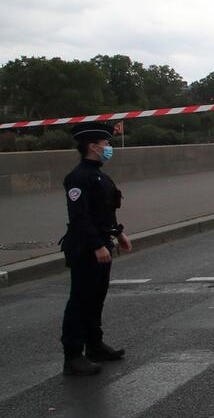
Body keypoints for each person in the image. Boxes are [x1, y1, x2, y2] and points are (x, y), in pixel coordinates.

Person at [60, 122, 132, 375]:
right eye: (105, 144)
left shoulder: (100, 175)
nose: (108, 147)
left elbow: (105, 211)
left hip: (102, 243)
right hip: (85, 247)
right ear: (92, 146)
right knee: (80, 300)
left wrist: (118, 233)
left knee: (96, 298)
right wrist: (97, 245)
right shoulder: (79, 177)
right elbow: (80, 217)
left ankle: (95, 345)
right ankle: (73, 354)